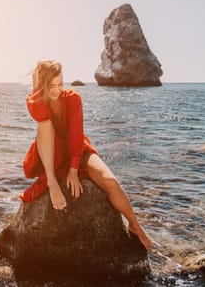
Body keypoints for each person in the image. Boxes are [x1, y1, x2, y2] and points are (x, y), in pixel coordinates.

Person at [20, 60, 153, 251]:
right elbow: (38, 113)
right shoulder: (37, 100)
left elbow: (76, 136)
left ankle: (135, 226)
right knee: (45, 123)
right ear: (42, 86)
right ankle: (51, 180)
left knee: (110, 180)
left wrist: (73, 170)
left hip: (77, 150)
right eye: (51, 86)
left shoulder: (73, 98)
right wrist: (36, 86)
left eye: (60, 84)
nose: (57, 90)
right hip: (51, 154)